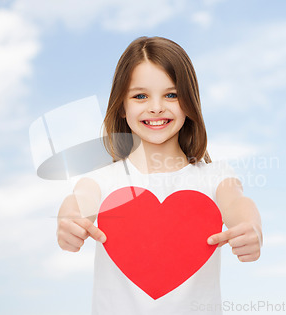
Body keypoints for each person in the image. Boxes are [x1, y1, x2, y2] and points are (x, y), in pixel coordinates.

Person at [56, 36, 262, 315]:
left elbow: (238, 203)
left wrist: (251, 228)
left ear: (189, 102)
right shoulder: (104, 179)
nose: (156, 107)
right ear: (121, 105)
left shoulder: (214, 177)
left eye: (171, 95)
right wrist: (69, 220)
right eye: (140, 96)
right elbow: (79, 201)